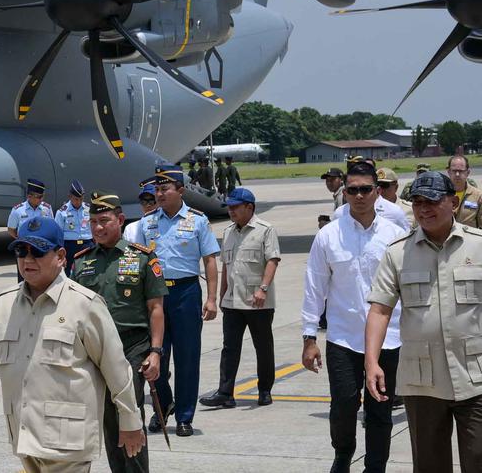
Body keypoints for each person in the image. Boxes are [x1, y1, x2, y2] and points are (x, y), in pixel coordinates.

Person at [0, 216, 145, 472]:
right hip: (24, 435)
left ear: (61, 256)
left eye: (37, 251)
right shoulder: (5, 304)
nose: (27, 260)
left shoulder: (85, 305)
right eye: (21, 251)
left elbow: (117, 368)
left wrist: (129, 420)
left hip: (67, 444)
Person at [365, 171, 482, 472]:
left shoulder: (478, 246)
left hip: (476, 377)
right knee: (429, 465)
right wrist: (372, 362)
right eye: (417, 202)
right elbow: (379, 310)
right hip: (421, 381)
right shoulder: (397, 253)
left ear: (454, 203)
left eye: (431, 201)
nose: (423, 209)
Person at [300, 162, 403, 473]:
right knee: (344, 404)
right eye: (353, 190)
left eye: (366, 189)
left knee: (380, 409)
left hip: (388, 338)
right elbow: (314, 287)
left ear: (377, 192)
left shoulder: (396, 235)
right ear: (344, 193)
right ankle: (343, 454)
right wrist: (309, 338)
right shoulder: (329, 236)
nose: (359, 195)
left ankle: (375, 466)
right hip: (343, 338)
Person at [72, 194, 166, 473]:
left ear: (120, 220)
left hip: (131, 348)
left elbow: (156, 308)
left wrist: (156, 352)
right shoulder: (81, 261)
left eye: (104, 221)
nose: (98, 228)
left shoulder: (142, 258)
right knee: (108, 419)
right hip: (95, 351)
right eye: (93, 222)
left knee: (130, 413)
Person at [138, 165, 219, 437]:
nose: (159, 194)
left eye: (165, 189)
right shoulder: (147, 222)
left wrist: (211, 299)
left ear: (180, 191)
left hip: (186, 293)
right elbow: (137, 259)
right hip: (155, 295)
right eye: (156, 190)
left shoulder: (197, 221)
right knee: (154, 355)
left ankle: (184, 416)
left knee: (187, 358)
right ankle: (162, 406)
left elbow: (209, 260)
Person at [200, 188, 280, 409]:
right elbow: (227, 266)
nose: (231, 211)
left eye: (235, 207)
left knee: (263, 347)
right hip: (232, 302)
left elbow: (272, 260)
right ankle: (225, 392)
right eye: (230, 207)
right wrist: (220, 295)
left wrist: (263, 289)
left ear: (249, 208)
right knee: (229, 348)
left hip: (258, 302)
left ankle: (264, 389)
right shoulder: (228, 232)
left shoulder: (265, 230)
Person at [55, 180, 91, 268]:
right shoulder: (62, 212)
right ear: (70, 197)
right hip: (70, 245)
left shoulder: (89, 209)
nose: (79, 202)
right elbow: (57, 233)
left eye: (81, 199)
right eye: (76, 199)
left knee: (89, 270)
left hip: (87, 244)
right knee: (69, 272)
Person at [447, 155, 482, 228]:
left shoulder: (478, 196)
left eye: (460, 171)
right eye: (454, 171)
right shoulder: (440, 194)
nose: (457, 174)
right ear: (449, 172)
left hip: (468, 238)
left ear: (468, 172)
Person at [123, 182, 158, 246]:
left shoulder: (167, 224)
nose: (148, 205)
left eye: (152, 200)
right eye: (143, 201)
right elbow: (125, 252)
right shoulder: (130, 228)